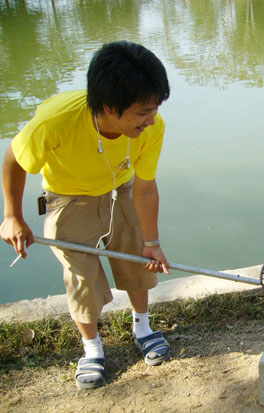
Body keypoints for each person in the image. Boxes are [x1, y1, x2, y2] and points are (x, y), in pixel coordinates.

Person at [1, 41, 172, 390]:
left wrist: (152, 242)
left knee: (137, 258)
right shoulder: (55, 122)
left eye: (154, 108)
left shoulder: (152, 128)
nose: (151, 120)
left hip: (120, 186)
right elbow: (15, 159)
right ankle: (92, 347)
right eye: (143, 112)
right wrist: (13, 215)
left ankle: (143, 326)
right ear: (110, 106)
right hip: (68, 195)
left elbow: (145, 187)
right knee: (81, 275)